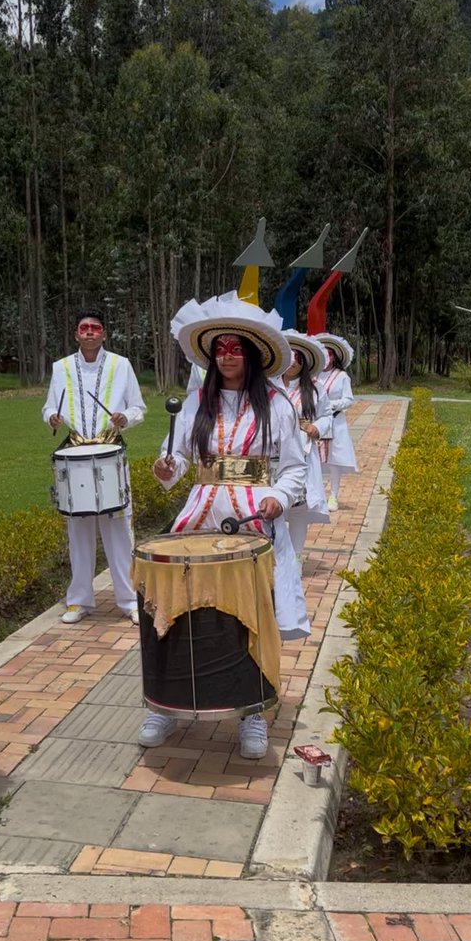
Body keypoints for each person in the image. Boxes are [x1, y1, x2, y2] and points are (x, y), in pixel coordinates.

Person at [139, 291, 308, 760]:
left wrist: (278, 496)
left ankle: (250, 711)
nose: (228, 355)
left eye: (236, 348)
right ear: (211, 357)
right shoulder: (197, 401)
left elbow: (295, 468)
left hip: (253, 521)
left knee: (248, 614)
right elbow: (176, 457)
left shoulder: (276, 405)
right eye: (220, 349)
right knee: (178, 606)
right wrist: (167, 467)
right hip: (200, 515)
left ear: (251, 354)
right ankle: (166, 704)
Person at [42, 308, 146, 625]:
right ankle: (79, 600)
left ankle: (129, 600)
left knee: (119, 530)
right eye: (83, 328)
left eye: (95, 328)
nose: (89, 332)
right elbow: (48, 406)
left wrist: (124, 418)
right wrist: (52, 418)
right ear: (76, 334)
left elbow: (139, 407)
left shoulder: (121, 365)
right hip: (75, 453)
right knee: (79, 530)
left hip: (110, 452)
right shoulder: (61, 368)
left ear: (104, 334)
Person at [280, 331, 332, 567]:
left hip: (303, 451)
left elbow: (326, 415)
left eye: (297, 358)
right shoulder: (267, 383)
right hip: (274, 452)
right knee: (276, 503)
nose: (291, 363)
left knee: (299, 507)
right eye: (287, 357)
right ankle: (278, 553)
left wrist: (317, 427)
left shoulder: (314, 388)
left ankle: (297, 556)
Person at [312, 332, 358, 510]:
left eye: (329, 354)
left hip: (335, 421)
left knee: (334, 460)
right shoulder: (312, 375)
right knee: (314, 458)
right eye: (323, 353)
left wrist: (330, 404)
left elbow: (349, 400)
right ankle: (316, 493)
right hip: (315, 422)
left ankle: (334, 495)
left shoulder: (342, 376)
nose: (326, 357)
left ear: (334, 357)